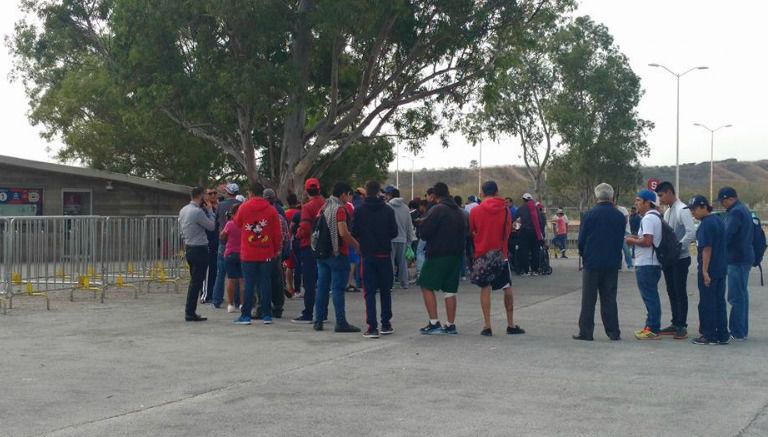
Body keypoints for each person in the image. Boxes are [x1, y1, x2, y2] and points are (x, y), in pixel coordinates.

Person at [470, 180, 525, 337]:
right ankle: (510, 324)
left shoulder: (475, 211)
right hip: (501, 255)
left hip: (482, 255)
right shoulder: (505, 210)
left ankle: (487, 326)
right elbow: (508, 232)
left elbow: (473, 231)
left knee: (485, 288)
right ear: (496, 192)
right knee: (507, 288)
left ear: (482, 193)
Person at [573, 183, 625, 341]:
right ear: (612, 196)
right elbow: (620, 239)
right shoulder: (619, 216)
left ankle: (586, 332)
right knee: (609, 298)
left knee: (588, 299)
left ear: (596, 196)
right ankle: (613, 331)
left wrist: (583, 254)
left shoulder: (589, 215)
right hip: (611, 261)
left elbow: (582, 240)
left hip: (592, 262)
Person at [417, 182, 466, 335]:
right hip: (456, 254)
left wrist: (421, 224)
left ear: (434, 195)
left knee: (425, 284)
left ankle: (434, 322)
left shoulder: (437, 209)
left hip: (438, 253)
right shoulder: (459, 211)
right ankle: (450, 324)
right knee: (450, 290)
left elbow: (425, 233)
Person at [313, 182, 362, 333]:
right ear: (343, 195)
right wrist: (356, 245)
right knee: (337, 289)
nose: (350, 198)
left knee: (322, 287)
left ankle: (318, 320)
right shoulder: (339, 209)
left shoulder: (324, 206)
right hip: (337, 254)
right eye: (349, 195)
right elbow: (343, 232)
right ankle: (341, 322)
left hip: (322, 253)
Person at [352, 180, 399, 338]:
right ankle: (386, 323)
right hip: (384, 254)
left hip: (368, 255)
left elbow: (354, 231)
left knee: (369, 292)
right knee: (385, 291)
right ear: (379, 191)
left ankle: (372, 327)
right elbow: (394, 232)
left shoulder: (359, 211)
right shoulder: (388, 210)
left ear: (366, 191)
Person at [233, 182, 282, 325]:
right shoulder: (271, 210)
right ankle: (267, 315)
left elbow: (237, 223)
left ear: (251, 193)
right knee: (265, 283)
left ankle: (246, 315)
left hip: (248, 252)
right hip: (266, 252)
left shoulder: (244, 207)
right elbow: (277, 234)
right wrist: (275, 250)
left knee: (249, 284)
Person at [655, 181, 696, 339]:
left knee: (680, 291)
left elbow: (691, 232)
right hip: (669, 258)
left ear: (669, 192)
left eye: (661, 195)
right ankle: (675, 322)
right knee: (671, 290)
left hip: (680, 258)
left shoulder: (682, 209)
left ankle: (682, 325)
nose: (660, 199)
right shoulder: (668, 211)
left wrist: (679, 247)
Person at [687, 195, 730, 345]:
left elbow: (707, 249)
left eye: (694, 209)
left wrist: (705, 271)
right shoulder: (718, 220)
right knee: (719, 302)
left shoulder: (706, 224)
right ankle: (722, 334)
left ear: (704, 207)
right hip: (720, 267)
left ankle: (709, 335)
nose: (692, 213)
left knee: (707, 302)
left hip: (710, 269)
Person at [625, 189, 663, 340]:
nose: (636, 203)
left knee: (650, 297)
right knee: (651, 296)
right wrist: (636, 237)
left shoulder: (648, 218)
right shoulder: (656, 217)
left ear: (648, 203)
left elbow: (647, 242)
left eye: (639, 200)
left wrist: (632, 240)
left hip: (647, 263)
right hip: (652, 263)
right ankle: (650, 326)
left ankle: (653, 328)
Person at [717, 186, 754, 341]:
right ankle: (742, 330)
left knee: (736, 297)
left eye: (723, 201)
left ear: (730, 198)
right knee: (742, 295)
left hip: (736, 259)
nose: (722, 204)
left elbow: (727, 235)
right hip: (745, 257)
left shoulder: (735, 212)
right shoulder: (744, 209)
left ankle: (737, 331)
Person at [178, 186, 215, 321]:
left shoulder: (183, 210)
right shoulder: (198, 212)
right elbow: (211, 226)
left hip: (189, 246)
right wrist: (210, 211)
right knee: (197, 282)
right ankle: (190, 312)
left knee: (194, 281)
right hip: (199, 247)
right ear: (201, 196)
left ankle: (190, 310)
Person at [291, 178, 325, 324]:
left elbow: (304, 228)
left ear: (306, 190)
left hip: (309, 247)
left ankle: (308, 313)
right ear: (319, 188)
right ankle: (322, 312)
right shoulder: (325, 203)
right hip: (325, 247)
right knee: (322, 281)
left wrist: (298, 233)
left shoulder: (307, 207)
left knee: (309, 282)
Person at [258, 188, 287, 319]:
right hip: (277, 252)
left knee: (263, 280)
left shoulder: (261, 216)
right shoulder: (280, 215)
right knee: (277, 280)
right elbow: (285, 235)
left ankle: (262, 307)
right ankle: (278, 307)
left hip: (264, 251)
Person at [212, 183, 240, 308]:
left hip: (223, 241)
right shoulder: (241, 205)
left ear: (227, 192)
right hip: (237, 243)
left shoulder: (221, 205)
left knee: (221, 273)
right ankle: (238, 300)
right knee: (238, 275)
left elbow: (215, 221)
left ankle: (217, 300)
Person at [386, 187, 416, 290]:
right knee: (402, 262)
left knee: (390, 262)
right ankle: (404, 283)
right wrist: (409, 240)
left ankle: (390, 283)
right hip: (403, 239)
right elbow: (409, 225)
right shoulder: (406, 208)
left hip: (390, 238)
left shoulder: (388, 206)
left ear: (390, 195)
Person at [220, 203, 244, 313]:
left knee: (231, 279)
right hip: (243, 254)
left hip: (230, 253)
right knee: (243, 280)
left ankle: (230, 304)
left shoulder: (229, 224)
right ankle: (243, 304)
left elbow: (222, 236)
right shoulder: (245, 224)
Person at [515, 193, 544, 275]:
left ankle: (525, 270)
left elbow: (515, 221)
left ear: (523, 200)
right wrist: (541, 233)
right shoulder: (536, 208)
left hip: (524, 232)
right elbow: (540, 221)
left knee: (524, 251)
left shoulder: (521, 209)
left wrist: (517, 231)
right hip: (535, 232)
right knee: (535, 251)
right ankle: (535, 269)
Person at [202, 187, 220, 303]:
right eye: (210, 193)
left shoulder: (218, 207)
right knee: (207, 270)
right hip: (207, 241)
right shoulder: (204, 209)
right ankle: (206, 295)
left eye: (215, 193)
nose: (213, 195)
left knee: (215, 269)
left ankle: (213, 293)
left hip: (217, 241)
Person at [284, 194, 301, 298]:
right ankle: (299, 288)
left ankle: (290, 288)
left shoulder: (285, 213)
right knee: (299, 264)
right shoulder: (299, 213)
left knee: (289, 266)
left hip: (288, 241)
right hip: (299, 240)